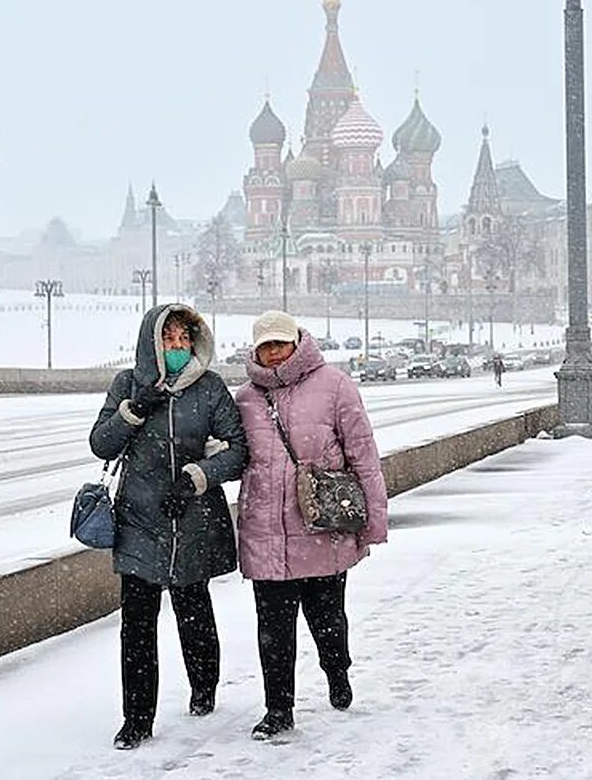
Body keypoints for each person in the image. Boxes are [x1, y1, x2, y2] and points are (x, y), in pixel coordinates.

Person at [89, 304, 247, 750]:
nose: (177, 347)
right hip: (140, 520)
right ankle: (136, 718)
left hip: (193, 519)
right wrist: (134, 411)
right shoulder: (127, 384)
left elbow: (237, 451)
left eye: (183, 340)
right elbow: (100, 443)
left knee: (194, 610)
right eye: (168, 339)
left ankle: (204, 686)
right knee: (137, 624)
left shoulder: (211, 389)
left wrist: (196, 477)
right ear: (151, 343)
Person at [234, 310, 389, 740]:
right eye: (265, 346)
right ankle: (278, 710)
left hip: (323, 532)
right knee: (273, 633)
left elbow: (364, 456)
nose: (274, 353)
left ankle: (337, 672)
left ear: (297, 342)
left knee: (328, 622)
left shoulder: (335, 386)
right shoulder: (245, 398)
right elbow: (231, 456)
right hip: (266, 535)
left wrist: (374, 521)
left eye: (280, 344)